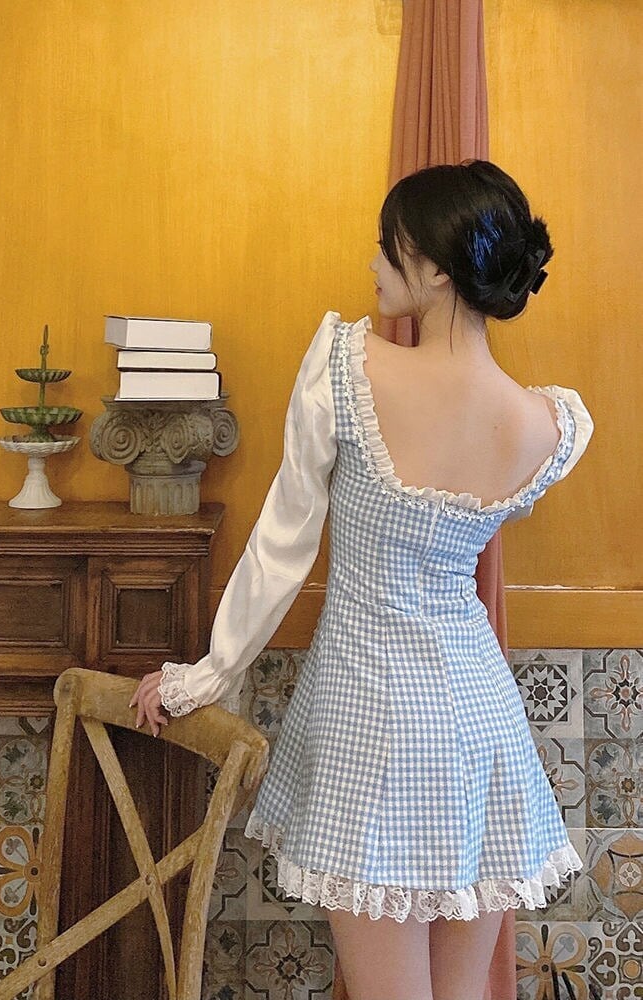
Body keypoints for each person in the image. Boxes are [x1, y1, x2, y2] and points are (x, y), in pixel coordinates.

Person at [129, 160, 594, 1000]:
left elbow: (284, 541)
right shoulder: (547, 423)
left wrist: (206, 676)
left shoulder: (347, 365)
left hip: (373, 725)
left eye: (391, 245)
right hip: (482, 729)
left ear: (438, 269)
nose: (375, 262)